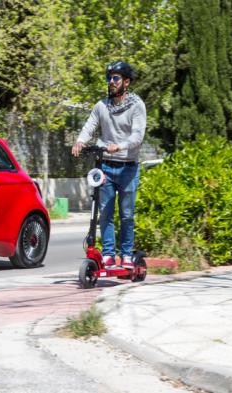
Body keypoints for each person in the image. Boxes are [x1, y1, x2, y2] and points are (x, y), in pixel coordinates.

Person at [72, 60, 146, 270]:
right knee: (104, 211)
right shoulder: (101, 106)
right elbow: (90, 125)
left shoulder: (137, 106)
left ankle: (127, 255)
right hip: (106, 166)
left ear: (127, 82)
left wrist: (120, 146)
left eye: (116, 78)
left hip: (128, 167)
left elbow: (138, 136)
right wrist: (80, 141)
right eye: (109, 78)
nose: (111, 82)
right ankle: (108, 255)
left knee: (126, 214)